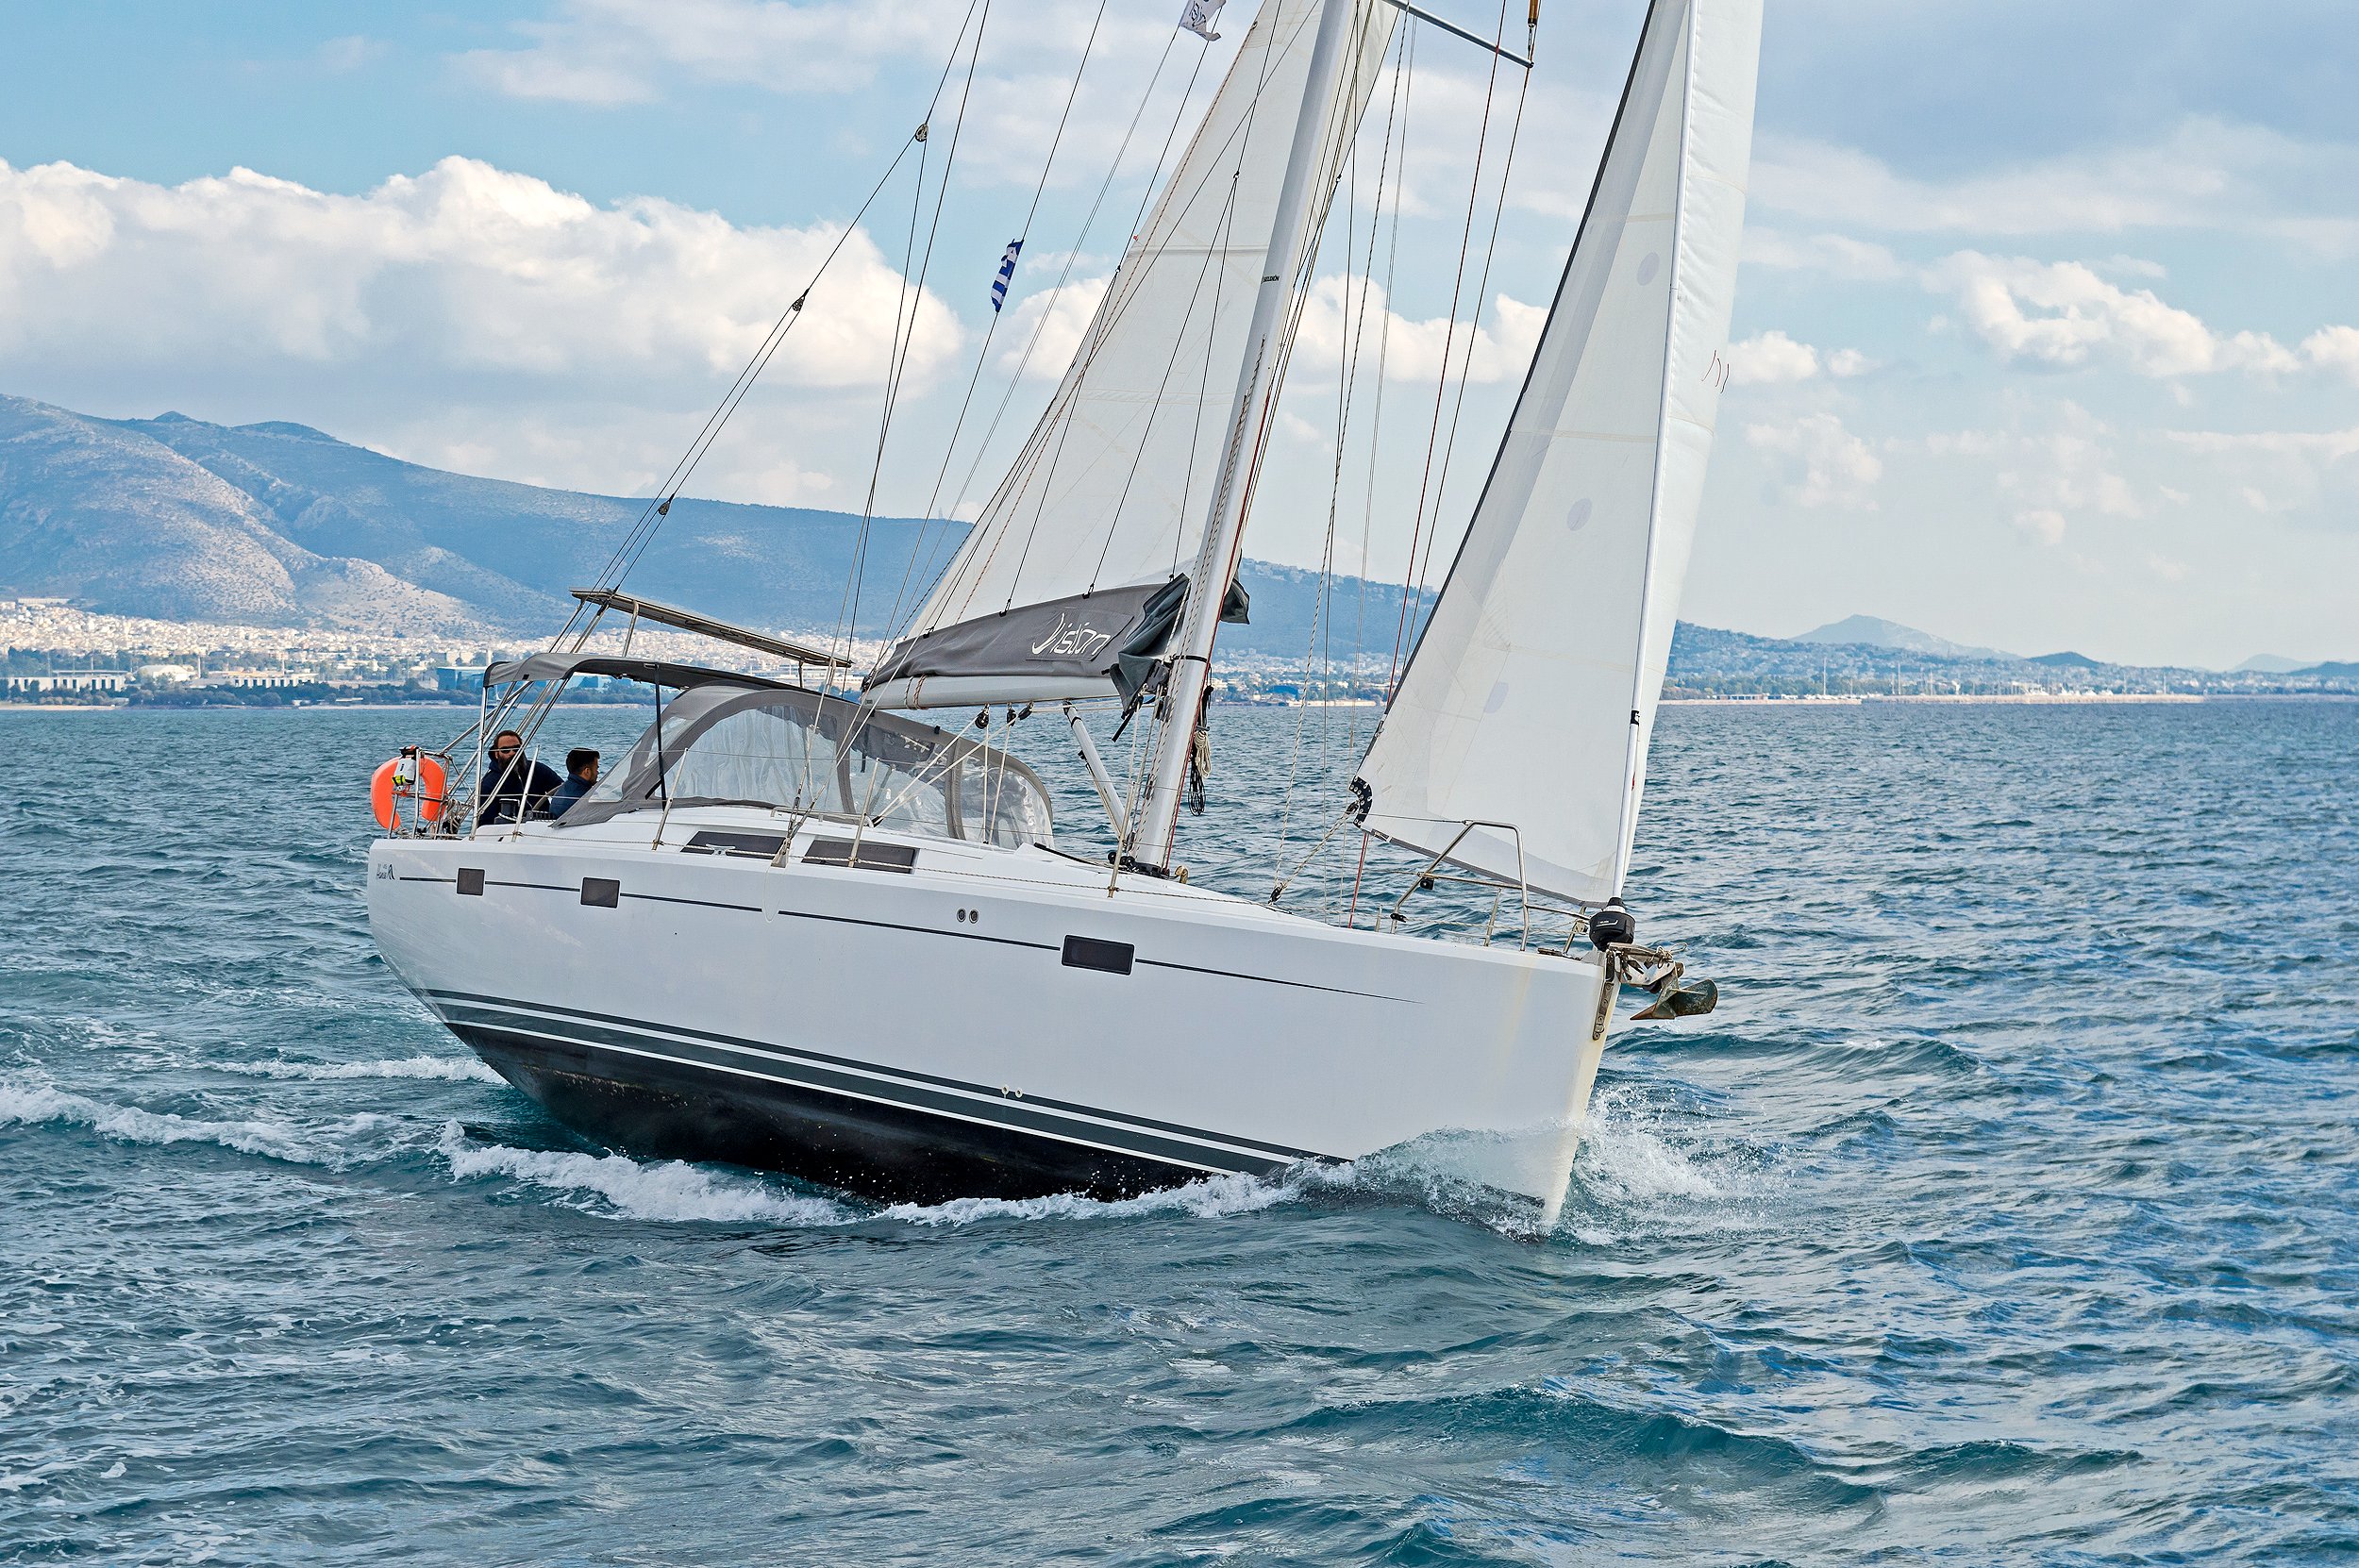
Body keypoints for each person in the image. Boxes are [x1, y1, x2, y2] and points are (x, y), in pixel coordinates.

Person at [477, 729, 561, 824]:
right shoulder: (489, 784)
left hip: (544, 826)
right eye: (506, 750)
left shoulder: (537, 769)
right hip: (510, 832)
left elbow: (563, 792)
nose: (512, 753)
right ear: (497, 754)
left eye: (517, 748)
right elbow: (485, 822)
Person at [544, 748, 600, 818]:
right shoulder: (587, 798)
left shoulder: (561, 791)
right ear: (587, 771)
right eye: (596, 769)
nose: (598, 772)